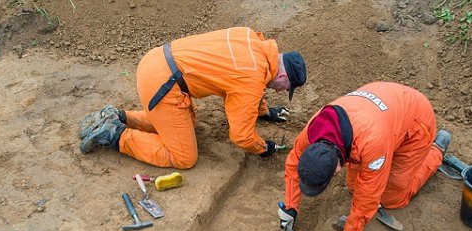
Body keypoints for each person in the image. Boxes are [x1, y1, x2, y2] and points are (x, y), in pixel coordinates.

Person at [78, 27, 307, 169]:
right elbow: (240, 136)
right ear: (283, 74)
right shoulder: (253, 80)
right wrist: (263, 147)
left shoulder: (250, 38)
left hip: (156, 62)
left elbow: (247, 82)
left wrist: (264, 112)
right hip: (163, 86)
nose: (279, 91)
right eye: (285, 87)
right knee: (184, 157)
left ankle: (119, 117)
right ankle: (115, 135)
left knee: (187, 126)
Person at [278, 82, 451, 231]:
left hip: (415, 121)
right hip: (381, 108)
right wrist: (290, 206)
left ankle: (436, 150)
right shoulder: (314, 128)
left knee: (391, 197)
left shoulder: (371, 141)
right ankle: (390, 151)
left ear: (338, 168)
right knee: (353, 187)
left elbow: (370, 190)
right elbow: (293, 163)